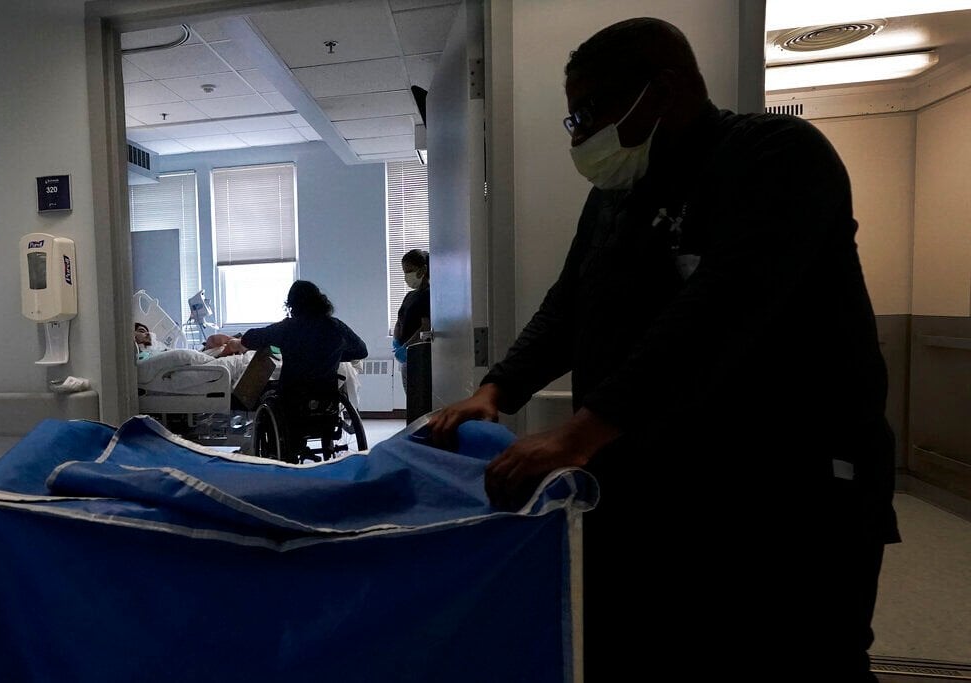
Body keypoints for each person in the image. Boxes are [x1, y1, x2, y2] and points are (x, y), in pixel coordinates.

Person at [426, 17, 900, 682]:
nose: (580, 134)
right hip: (664, 483)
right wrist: (497, 389)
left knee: (801, 655)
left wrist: (580, 431)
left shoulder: (777, 158)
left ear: (665, 88)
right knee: (652, 645)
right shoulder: (617, 196)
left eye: (588, 111)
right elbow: (569, 305)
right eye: (572, 122)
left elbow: (718, 313)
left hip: (794, 486)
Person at [230, 280, 368, 453]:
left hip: (291, 399)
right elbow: (362, 351)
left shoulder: (287, 328)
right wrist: (335, 354)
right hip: (326, 399)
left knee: (268, 397)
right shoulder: (335, 326)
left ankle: (279, 449)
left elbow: (248, 339)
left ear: (292, 305)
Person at [391, 248, 431, 392]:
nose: (407, 275)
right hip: (407, 356)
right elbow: (400, 319)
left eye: (410, 271)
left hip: (418, 355)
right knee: (410, 396)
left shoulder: (428, 295)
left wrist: (407, 347)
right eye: (405, 271)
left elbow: (425, 326)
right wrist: (396, 341)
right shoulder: (410, 296)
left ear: (423, 269)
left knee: (418, 398)